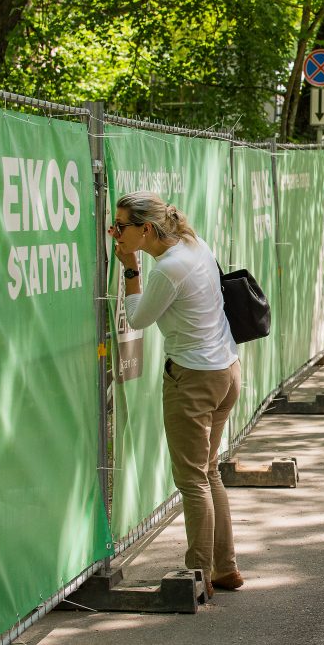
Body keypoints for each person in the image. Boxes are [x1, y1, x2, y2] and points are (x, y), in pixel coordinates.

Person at [109, 190, 243, 598]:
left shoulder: (166, 268)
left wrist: (130, 269)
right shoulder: (193, 243)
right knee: (208, 471)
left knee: (191, 479)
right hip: (226, 371)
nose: (114, 234)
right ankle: (224, 568)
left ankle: (197, 576)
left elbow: (137, 317)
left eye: (120, 227)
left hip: (194, 379)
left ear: (145, 229)